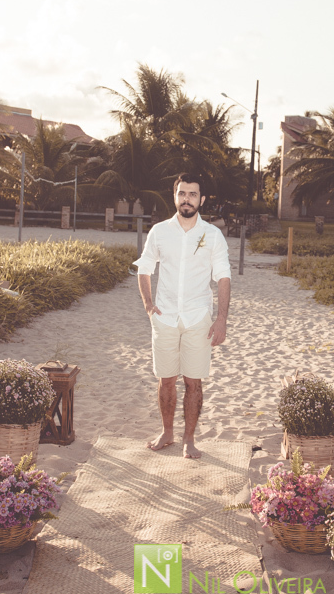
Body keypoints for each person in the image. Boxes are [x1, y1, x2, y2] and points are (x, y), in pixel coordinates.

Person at [134, 172, 231, 459]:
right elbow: (145, 267)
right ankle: (167, 432)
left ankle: (189, 439)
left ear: (201, 199)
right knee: (165, 380)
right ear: (175, 197)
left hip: (198, 318)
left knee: (194, 382)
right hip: (164, 318)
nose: (186, 199)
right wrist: (148, 304)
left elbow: (223, 278)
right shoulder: (159, 231)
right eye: (181, 193)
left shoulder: (212, 235)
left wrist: (221, 318)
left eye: (192, 194)